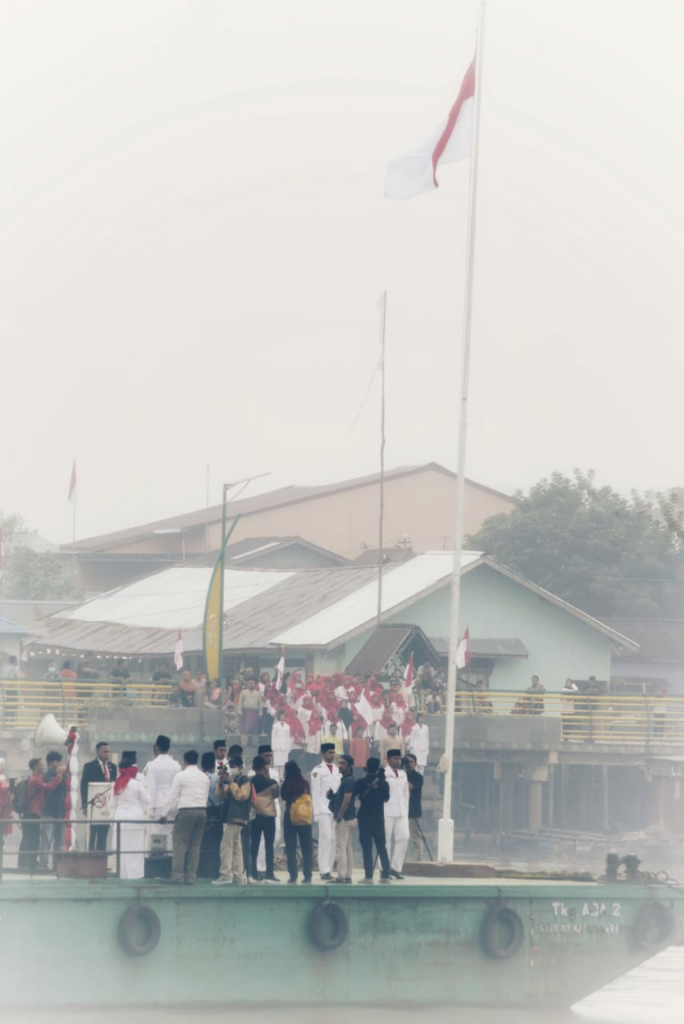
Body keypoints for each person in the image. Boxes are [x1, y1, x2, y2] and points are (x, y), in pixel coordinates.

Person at [160, 749, 210, 885]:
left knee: (180, 844)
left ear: (185, 761)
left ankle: (177, 876)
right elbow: (205, 796)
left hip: (186, 811)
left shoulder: (181, 776)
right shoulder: (204, 777)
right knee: (195, 845)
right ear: (197, 760)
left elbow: (172, 796)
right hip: (202, 811)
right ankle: (191, 877)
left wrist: (164, 813)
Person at [18, 757, 66, 872]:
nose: (43, 767)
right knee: (33, 839)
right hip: (33, 812)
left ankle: (28, 863)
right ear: (35, 767)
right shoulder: (35, 779)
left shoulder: (37, 778)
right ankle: (31, 864)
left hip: (35, 812)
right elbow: (48, 788)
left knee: (30, 838)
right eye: (41, 765)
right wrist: (59, 776)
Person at [213, 755, 252, 885]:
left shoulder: (245, 780)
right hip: (232, 818)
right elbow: (221, 796)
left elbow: (242, 796)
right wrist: (221, 783)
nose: (232, 769)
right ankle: (238, 876)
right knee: (236, 848)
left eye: (234, 767)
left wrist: (231, 783)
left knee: (226, 846)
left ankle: (226, 874)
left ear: (241, 767)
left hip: (238, 817)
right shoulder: (233, 780)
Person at [113, 752, 151, 880]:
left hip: (120, 820)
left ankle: (123, 875)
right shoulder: (137, 784)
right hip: (135, 819)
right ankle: (135, 876)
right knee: (135, 850)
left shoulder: (116, 785)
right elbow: (147, 800)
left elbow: (112, 804)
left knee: (122, 850)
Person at [354, 757, 391, 884]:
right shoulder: (384, 784)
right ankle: (385, 875)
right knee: (381, 847)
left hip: (364, 818)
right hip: (379, 819)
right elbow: (386, 799)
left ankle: (368, 876)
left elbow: (355, 796)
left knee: (367, 848)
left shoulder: (360, 782)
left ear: (366, 767)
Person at [143, 734, 181, 852]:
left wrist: (149, 807)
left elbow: (151, 788)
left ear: (157, 747)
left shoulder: (152, 765)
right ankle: (169, 857)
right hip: (173, 803)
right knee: (170, 833)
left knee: (156, 833)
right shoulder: (176, 765)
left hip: (157, 803)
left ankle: (157, 858)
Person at [311, 742, 341, 881]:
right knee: (326, 837)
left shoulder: (336, 769)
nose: (332, 755)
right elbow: (315, 792)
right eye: (329, 752)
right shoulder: (317, 770)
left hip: (334, 809)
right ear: (323, 754)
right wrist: (316, 812)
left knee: (334, 839)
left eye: (333, 752)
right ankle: (323, 869)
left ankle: (329, 867)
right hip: (322, 808)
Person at [280, 760, 313, 884]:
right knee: (307, 848)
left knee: (291, 848)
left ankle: (293, 876)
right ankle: (308, 876)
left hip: (291, 817)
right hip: (305, 817)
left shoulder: (286, 784)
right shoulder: (305, 783)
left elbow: (283, 796)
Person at [81, 741, 117, 852]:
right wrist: (85, 805)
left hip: (107, 806)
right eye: (104, 751)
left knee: (104, 833)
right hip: (95, 806)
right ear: (97, 752)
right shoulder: (89, 766)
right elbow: (83, 786)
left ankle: (102, 858)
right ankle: (91, 859)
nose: (107, 754)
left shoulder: (113, 767)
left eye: (108, 751)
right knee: (93, 833)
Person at [250, 755, 279, 882]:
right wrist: (268, 776)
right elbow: (276, 795)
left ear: (253, 768)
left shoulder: (249, 782)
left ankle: (253, 874)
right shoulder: (272, 783)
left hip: (255, 817)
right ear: (264, 768)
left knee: (254, 846)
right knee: (269, 846)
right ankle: (269, 874)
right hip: (269, 817)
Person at [384, 748, 410, 880]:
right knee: (386, 841)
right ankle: (385, 869)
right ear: (388, 759)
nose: (398, 761)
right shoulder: (383, 773)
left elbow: (406, 794)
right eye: (395, 758)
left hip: (401, 811)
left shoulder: (403, 774)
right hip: (387, 810)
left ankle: (396, 868)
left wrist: (406, 810)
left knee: (404, 837)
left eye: (399, 758)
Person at [331, 754, 356, 883]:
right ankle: (347, 875)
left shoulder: (348, 781)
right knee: (347, 848)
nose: (340, 766)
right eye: (339, 763)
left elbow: (347, 800)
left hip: (345, 817)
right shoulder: (347, 779)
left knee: (341, 847)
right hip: (349, 817)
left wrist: (339, 816)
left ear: (350, 766)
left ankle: (341, 875)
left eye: (343, 764)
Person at [39, 751, 67, 869]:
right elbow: (49, 788)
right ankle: (44, 863)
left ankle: (58, 864)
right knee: (46, 839)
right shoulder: (47, 774)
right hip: (49, 811)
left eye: (61, 761)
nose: (60, 763)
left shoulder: (63, 774)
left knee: (60, 841)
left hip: (61, 812)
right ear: (50, 762)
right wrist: (58, 775)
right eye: (57, 761)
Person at [198, 751, 222, 879]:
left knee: (200, 842)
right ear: (213, 764)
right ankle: (213, 870)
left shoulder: (198, 778)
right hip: (216, 813)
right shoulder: (217, 778)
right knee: (215, 843)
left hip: (201, 810)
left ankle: (201, 870)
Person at [404, 754, 424, 862]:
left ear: (415, 763)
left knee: (416, 836)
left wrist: (401, 777)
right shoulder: (402, 775)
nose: (408, 764)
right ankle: (402, 860)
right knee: (403, 837)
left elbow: (410, 787)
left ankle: (418, 859)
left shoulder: (418, 777)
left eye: (411, 762)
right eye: (407, 762)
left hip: (414, 810)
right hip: (403, 810)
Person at [237, 678, 263, 746]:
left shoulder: (257, 693)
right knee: (245, 728)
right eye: (250, 683)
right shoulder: (243, 692)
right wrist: (239, 711)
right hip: (246, 712)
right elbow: (240, 702)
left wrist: (260, 713)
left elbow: (260, 704)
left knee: (255, 729)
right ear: (247, 684)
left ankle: (255, 743)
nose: (251, 684)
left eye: (253, 683)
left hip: (255, 713)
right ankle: (244, 743)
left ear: (255, 684)